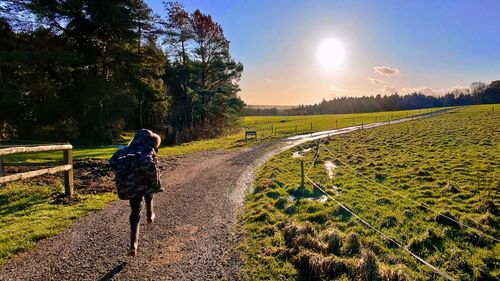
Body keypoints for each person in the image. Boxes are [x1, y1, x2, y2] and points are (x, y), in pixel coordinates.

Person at [109, 129, 164, 256]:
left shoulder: (123, 151)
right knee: (149, 192)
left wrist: (125, 170)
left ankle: (133, 244)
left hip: (130, 187)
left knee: (135, 212)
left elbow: (112, 163)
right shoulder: (147, 150)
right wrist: (155, 184)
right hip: (142, 184)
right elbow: (149, 165)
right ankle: (150, 215)